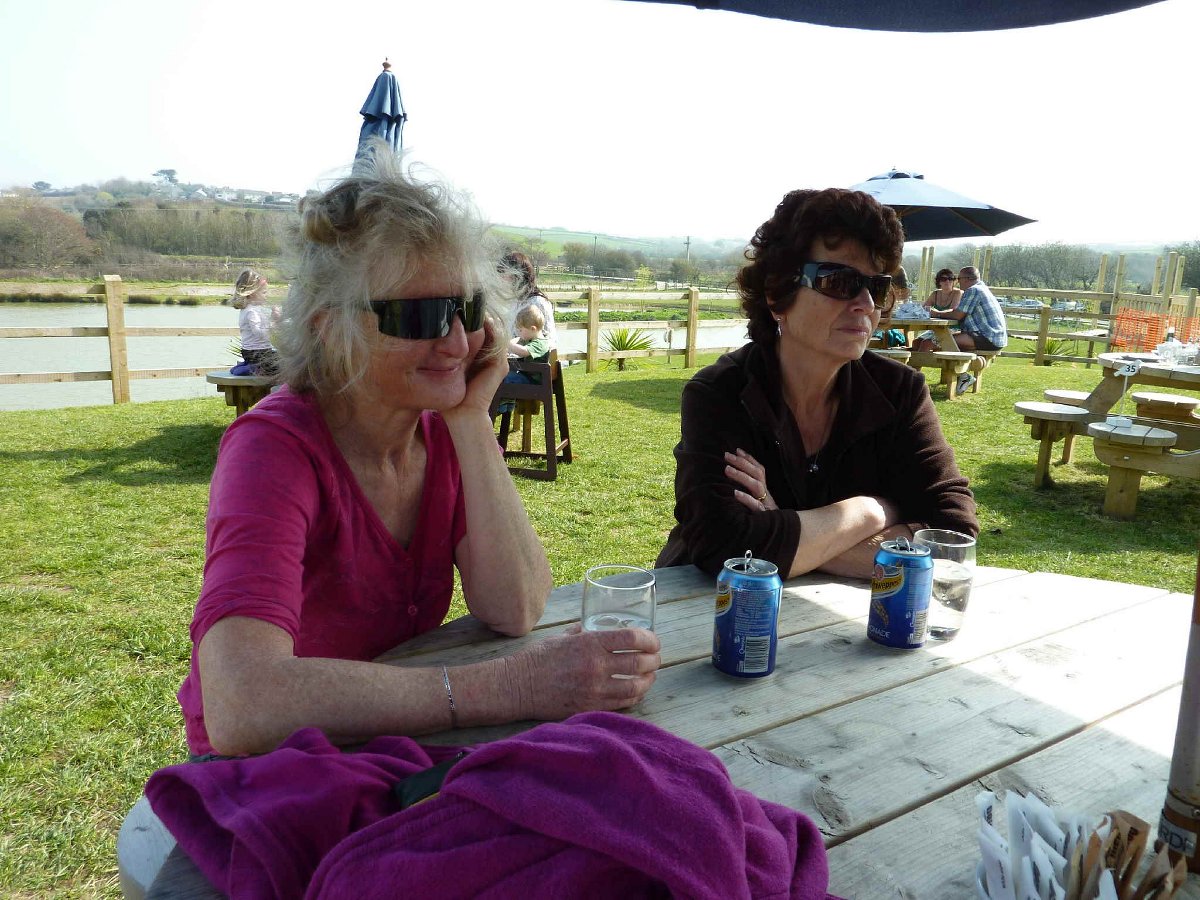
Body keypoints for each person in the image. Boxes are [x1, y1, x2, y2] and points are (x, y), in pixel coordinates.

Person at [178, 148, 660, 758]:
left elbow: (514, 607)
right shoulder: (273, 449)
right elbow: (242, 703)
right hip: (274, 772)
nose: (456, 342)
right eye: (421, 316)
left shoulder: (436, 432)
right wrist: (510, 686)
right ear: (331, 329)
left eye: (466, 310)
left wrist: (470, 421)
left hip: (387, 749)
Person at [656, 187, 977, 579]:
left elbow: (952, 534)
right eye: (839, 281)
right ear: (777, 294)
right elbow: (723, 545)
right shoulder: (721, 393)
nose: (865, 304)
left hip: (848, 615)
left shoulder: (899, 392)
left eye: (876, 286)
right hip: (713, 607)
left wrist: (783, 527)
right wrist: (873, 511)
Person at [928, 266, 1008, 392]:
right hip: (993, 336)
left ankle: (963, 376)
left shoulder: (973, 290)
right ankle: (961, 375)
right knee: (944, 340)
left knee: (940, 340)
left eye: (958, 278)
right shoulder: (982, 288)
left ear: (967, 279)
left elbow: (957, 315)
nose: (957, 282)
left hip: (988, 337)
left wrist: (936, 313)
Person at [229, 268, 279, 376]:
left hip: (252, 353)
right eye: (264, 292)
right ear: (252, 294)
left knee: (280, 359)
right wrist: (274, 322)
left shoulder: (250, 309)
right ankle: (253, 368)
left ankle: (248, 365)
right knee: (283, 365)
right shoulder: (252, 312)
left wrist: (275, 319)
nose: (266, 295)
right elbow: (260, 334)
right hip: (258, 353)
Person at [502, 250, 556, 348]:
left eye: (505, 272)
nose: (502, 277)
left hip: (528, 356)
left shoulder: (537, 302)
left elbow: (548, 339)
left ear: (517, 275)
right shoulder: (514, 300)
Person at [911, 268, 963, 351]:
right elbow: (923, 309)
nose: (947, 281)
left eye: (950, 278)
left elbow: (952, 311)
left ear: (954, 281)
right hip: (937, 328)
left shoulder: (958, 293)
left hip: (953, 329)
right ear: (939, 282)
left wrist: (936, 313)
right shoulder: (935, 294)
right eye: (943, 279)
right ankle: (919, 359)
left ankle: (921, 359)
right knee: (916, 342)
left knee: (925, 344)